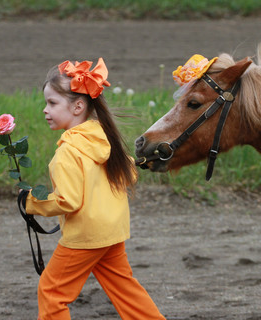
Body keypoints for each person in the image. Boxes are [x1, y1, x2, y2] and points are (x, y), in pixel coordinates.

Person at [22, 57, 166, 320]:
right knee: (126, 290)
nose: (45, 109)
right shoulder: (103, 138)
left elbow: (68, 201)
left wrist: (31, 202)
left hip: (85, 237)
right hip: (112, 232)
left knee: (52, 292)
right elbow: (129, 174)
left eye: (52, 103)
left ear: (78, 106)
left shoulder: (67, 153)